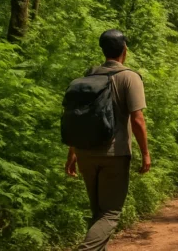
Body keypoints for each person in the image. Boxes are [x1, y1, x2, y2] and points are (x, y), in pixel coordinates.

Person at [64, 29, 151, 251]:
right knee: (110, 213)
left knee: (98, 214)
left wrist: (72, 153)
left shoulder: (89, 75)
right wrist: (146, 154)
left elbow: (78, 117)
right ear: (125, 50)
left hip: (85, 152)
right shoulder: (129, 77)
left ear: (103, 49)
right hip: (115, 153)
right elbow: (138, 120)